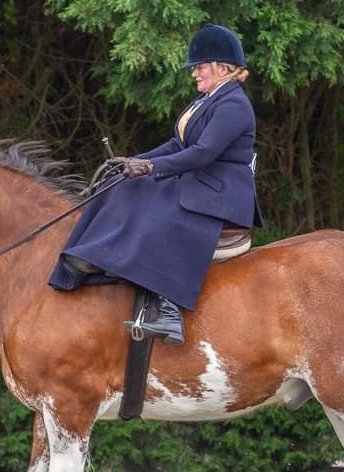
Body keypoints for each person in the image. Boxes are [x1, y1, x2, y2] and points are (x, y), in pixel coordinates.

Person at [48, 23, 263, 345]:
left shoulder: (233, 105)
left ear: (222, 67)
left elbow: (203, 153)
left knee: (155, 211)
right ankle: (91, 258)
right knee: (124, 184)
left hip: (220, 192)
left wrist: (150, 168)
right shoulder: (205, 101)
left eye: (200, 67)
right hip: (201, 181)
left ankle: (169, 312)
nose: (194, 74)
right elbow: (177, 144)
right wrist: (132, 162)